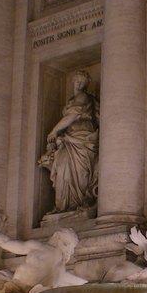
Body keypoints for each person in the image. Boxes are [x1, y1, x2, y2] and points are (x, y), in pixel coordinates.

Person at [38, 70, 99, 213]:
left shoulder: (84, 97)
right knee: (62, 165)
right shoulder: (73, 99)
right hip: (70, 138)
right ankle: (64, 206)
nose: (79, 85)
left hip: (82, 138)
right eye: (77, 81)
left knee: (80, 171)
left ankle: (79, 202)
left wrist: (54, 130)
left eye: (82, 82)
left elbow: (72, 116)